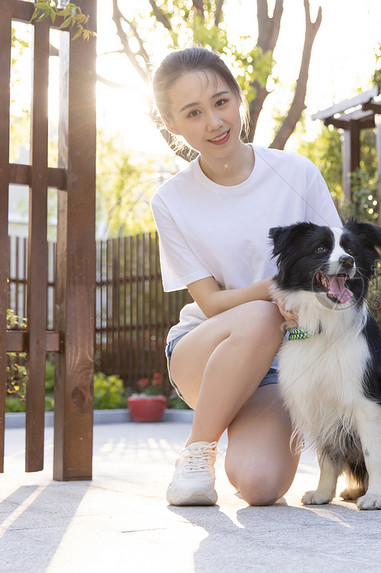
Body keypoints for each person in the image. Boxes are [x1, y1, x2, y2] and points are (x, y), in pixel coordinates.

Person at [149, 47, 341, 506]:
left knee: (260, 485)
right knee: (258, 315)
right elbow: (212, 304)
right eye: (193, 113)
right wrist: (271, 292)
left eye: (221, 102)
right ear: (172, 125)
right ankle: (197, 454)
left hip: (282, 363)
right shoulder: (170, 200)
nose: (214, 123)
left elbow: (338, 270)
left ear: (239, 99)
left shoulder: (297, 173)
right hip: (206, 348)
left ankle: (242, 423)